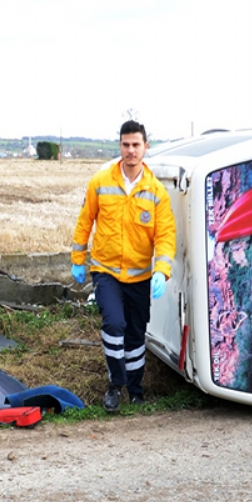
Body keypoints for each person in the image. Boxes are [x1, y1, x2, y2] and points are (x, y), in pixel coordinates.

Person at [71, 120, 176, 412]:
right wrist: (78, 260)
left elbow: (166, 235)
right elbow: (85, 222)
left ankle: (136, 389)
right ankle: (114, 386)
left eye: (136, 145)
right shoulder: (101, 182)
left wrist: (161, 272)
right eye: (126, 145)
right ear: (120, 146)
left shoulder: (156, 192)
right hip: (106, 271)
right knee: (114, 324)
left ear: (145, 147)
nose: (131, 150)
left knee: (135, 334)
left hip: (140, 275)